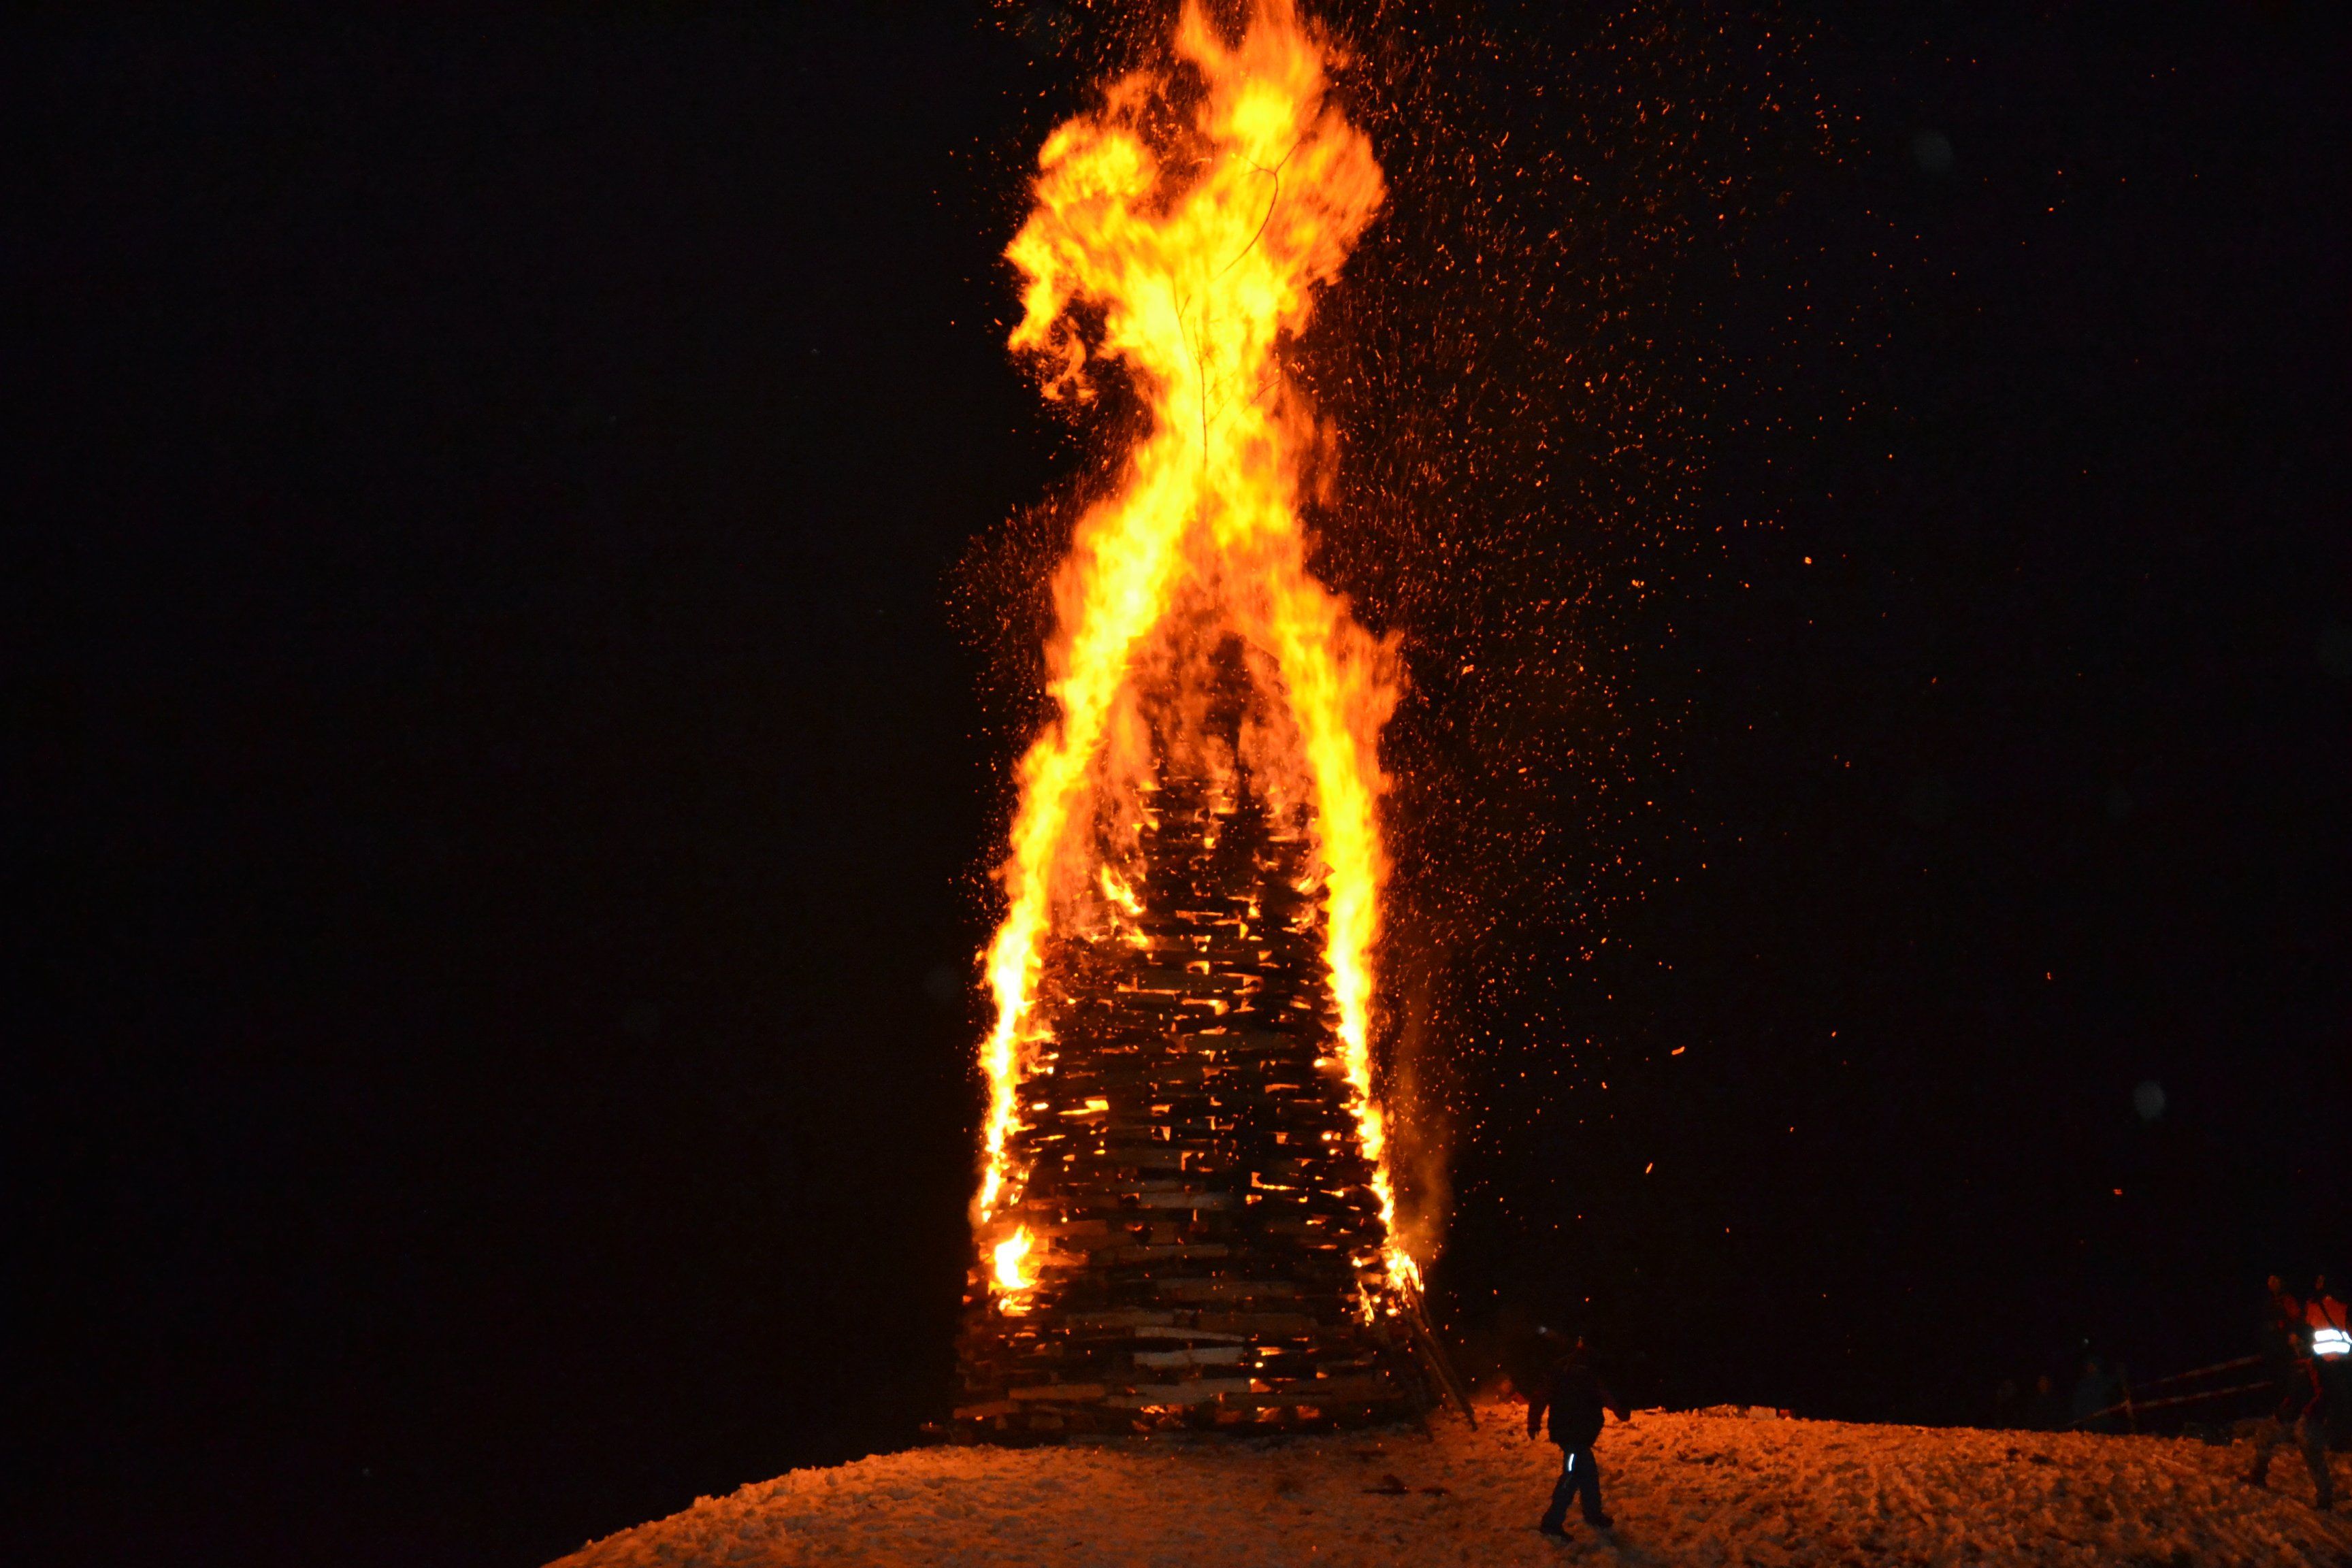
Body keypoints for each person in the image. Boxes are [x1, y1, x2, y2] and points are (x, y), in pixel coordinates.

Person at [1526, 1329, 1631, 1538]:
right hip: (1575, 1434)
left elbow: (1541, 1395)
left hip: (1570, 1432)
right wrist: (1621, 1412)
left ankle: (1593, 1514)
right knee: (1572, 1474)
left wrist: (1534, 1422)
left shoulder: (1562, 1367)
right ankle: (1552, 1522)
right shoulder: (1592, 1369)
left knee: (1588, 1473)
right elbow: (1607, 1395)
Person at [2247, 1275, 2333, 1509]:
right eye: (2293, 1343)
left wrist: (2307, 1413)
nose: (2295, 1346)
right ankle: (2258, 1475)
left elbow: (2322, 1395)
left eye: (2298, 1342)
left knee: (2307, 1440)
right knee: (2266, 1433)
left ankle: (2325, 1496)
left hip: (2312, 1418)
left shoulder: (2316, 1364)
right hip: (2296, 1414)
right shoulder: (2294, 1365)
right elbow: (2293, 1395)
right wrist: (2285, 1409)